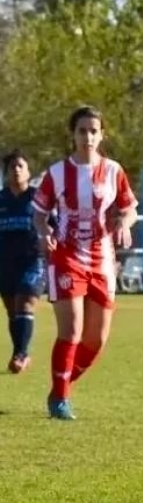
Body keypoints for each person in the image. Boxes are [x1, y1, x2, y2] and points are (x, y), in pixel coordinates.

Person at [32, 106, 138, 420]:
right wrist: (43, 231)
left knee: (96, 340)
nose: (88, 137)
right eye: (82, 130)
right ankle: (60, 400)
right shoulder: (57, 173)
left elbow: (129, 207)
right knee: (73, 330)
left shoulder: (113, 171)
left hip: (102, 259)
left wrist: (125, 223)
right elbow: (39, 212)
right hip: (66, 256)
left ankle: (60, 386)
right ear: (73, 135)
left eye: (93, 130)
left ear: (102, 134)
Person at [0, 150, 44, 373]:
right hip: (5, 263)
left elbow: (54, 225)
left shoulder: (39, 198)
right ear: (6, 173)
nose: (16, 170)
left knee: (24, 303)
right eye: (11, 167)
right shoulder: (1, 199)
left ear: (28, 171)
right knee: (12, 311)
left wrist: (52, 240)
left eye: (20, 166)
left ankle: (21, 354)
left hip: (32, 261)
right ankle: (20, 352)